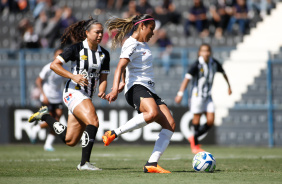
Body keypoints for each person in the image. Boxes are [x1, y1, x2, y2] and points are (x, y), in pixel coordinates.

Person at [28, 17, 110, 171]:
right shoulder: (76, 49)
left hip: (86, 96)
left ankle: (45, 116)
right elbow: (54, 65)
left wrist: (102, 92)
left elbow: (103, 77)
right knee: (93, 121)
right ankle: (84, 164)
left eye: (102, 32)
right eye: (97, 32)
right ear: (87, 33)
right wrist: (73, 76)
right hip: (73, 92)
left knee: (70, 140)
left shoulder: (104, 54)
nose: (100, 35)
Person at [102, 14, 175, 173]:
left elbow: (127, 66)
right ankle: (114, 133)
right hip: (136, 87)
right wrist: (116, 88)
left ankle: (152, 164)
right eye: (151, 28)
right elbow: (120, 66)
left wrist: (122, 81)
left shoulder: (142, 44)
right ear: (142, 26)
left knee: (170, 124)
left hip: (149, 89)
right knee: (152, 113)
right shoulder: (132, 43)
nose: (153, 33)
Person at [174, 44, 232, 154]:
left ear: (210, 52)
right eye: (203, 51)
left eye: (207, 51)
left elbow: (224, 73)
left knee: (210, 121)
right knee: (197, 119)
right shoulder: (196, 64)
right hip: (197, 96)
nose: (205, 53)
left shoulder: (214, 63)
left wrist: (229, 86)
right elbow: (187, 79)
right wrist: (180, 93)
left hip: (208, 96)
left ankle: (193, 138)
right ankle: (195, 145)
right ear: (200, 53)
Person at [30, 48, 67, 151]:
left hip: (58, 97)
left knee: (57, 121)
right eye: (58, 55)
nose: (60, 57)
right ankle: (36, 128)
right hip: (47, 97)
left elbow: (66, 82)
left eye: (62, 54)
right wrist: (43, 95)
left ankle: (48, 144)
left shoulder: (66, 68)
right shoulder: (49, 67)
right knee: (51, 119)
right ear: (54, 56)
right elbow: (38, 81)